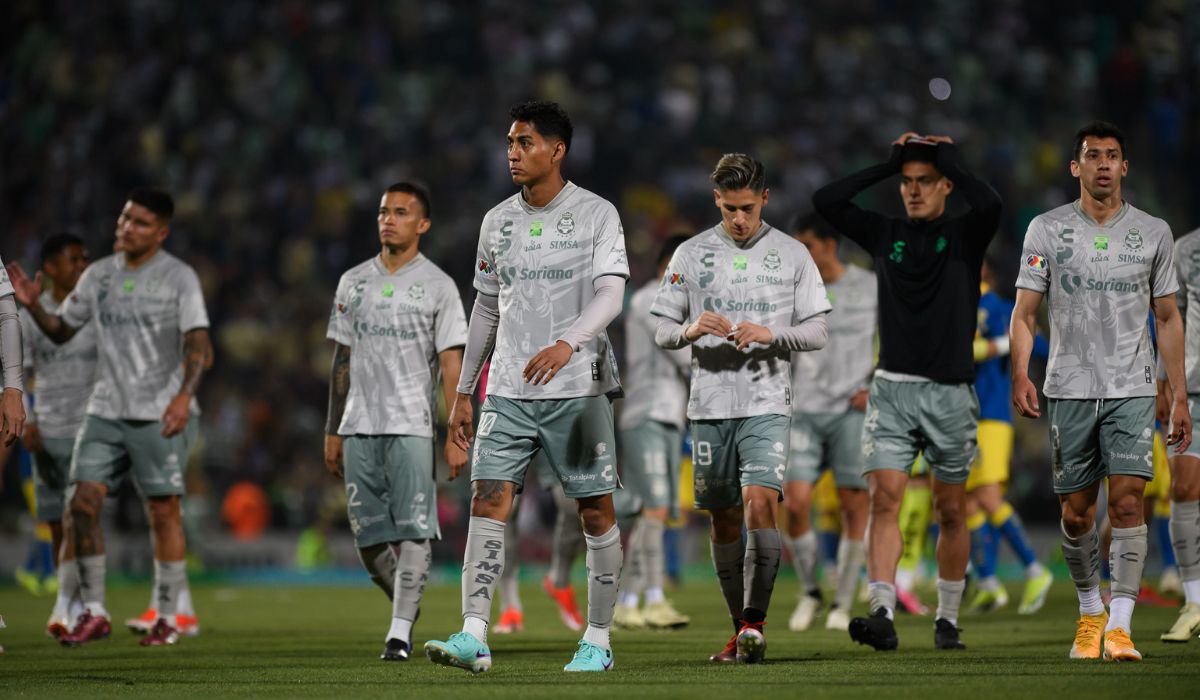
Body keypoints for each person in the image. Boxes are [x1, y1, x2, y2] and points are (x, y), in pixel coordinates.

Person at [424, 101, 629, 674]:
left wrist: (568, 342)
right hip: (508, 391)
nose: (512, 153)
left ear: (556, 150)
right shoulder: (497, 221)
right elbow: (487, 308)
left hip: (578, 389)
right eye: (510, 142)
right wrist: (464, 393)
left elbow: (612, 294)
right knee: (487, 499)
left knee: (594, 510)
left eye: (525, 142)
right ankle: (474, 634)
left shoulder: (596, 214)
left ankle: (598, 640)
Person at [1011, 120, 1191, 661]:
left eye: (1112, 155)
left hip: (1132, 386)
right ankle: (1090, 610)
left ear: (1125, 166)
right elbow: (1025, 312)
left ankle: (1120, 626)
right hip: (1069, 387)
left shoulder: (1153, 232)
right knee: (1076, 514)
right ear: (1076, 167)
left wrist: (1179, 394)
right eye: (1093, 155)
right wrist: (1021, 372)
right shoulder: (1046, 229)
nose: (1104, 163)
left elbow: (1168, 318)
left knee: (1130, 501)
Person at [814, 132, 1001, 651]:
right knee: (884, 500)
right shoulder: (884, 232)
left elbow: (991, 203)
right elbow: (827, 200)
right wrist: (889, 163)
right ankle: (882, 612)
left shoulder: (966, 233)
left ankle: (947, 618)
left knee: (951, 509)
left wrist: (950, 161)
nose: (913, 190)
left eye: (925, 181)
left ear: (945, 186)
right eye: (907, 182)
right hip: (893, 389)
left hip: (950, 393)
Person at [7, 187, 213, 647]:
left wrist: (184, 397)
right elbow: (61, 331)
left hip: (157, 411)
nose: (127, 228)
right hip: (103, 411)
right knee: (80, 504)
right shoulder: (98, 274)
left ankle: (168, 614)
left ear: (161, 233)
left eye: (140, 223)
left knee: (163, 510)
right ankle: (95, 611)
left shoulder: (179, 278)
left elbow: (199, 344)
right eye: (124, 218)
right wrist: (34, 305)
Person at [653, 153, 831, 664]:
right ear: (717, 200)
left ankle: (755, 623)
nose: (738, 218)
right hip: (709, 406)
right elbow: (661, 328)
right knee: (724, 519)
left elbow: (818, 330)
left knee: (759, 504)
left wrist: (771, 333)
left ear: (765, 199)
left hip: (767, 402)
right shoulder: (689, 254)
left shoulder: (793, 254)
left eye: (747, 208)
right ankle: (740, 631)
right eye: (729, 208)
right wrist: (690, 329)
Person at [324, 182, 468, 661]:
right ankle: (407, 603)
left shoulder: (438, 286)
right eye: (384, 211)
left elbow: (452, 363)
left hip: (411, 423)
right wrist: (331, 429)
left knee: (414, 530)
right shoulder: (353, 282)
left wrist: (455, 432)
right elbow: (342, 360)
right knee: (368, 538)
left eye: (402, 212)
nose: (389, 219)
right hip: (357, 423)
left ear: (422, 224)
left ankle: (399, 633)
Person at [785, 213, 875, 632]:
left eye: (808, 245)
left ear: (830, 245)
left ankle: (842, 602)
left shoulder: (869, 286)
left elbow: (895, 338)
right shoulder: (792, 288)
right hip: (804, 408)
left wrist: (876, 384)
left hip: (851, 410)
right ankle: (811, 591)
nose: (802, 253)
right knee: (795, 502)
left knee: (853, 506)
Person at [964, 258, 1054, 615]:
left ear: (982, 270)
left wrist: (1009, 344)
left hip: (987, 417)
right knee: (968, 502)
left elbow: (1040, 347)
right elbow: (1043, 346)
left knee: (986, 497)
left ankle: (1034, 569)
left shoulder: (990, 308)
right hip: (972, 417)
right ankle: (988, 582)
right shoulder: (990, 307)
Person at [613, 233, 692, 631]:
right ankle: (654, 598)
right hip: (645, 414)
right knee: (655, 508)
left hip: (669, 416)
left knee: (652, 511)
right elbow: (683, 354)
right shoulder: (648, 300)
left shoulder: (680, 306)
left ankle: (627, 602)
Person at [18, 234, 95, 638]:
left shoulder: (94, 310)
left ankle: (71, 602)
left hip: (90, 429)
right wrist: (28, 421)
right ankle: (74, 600)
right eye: (73, 259)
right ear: (49, 267)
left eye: (84, 259)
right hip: (47, 430)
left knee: (81, 515)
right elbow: (19, 373)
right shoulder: (28, 315)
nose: (82, 266)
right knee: (57, 523)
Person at [1161, 225, 1200, 642]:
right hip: (1195, 391)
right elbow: (1173, 316)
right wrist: (1164, 382)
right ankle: (1194, 603)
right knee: (1184, 487)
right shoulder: (1186, 249)